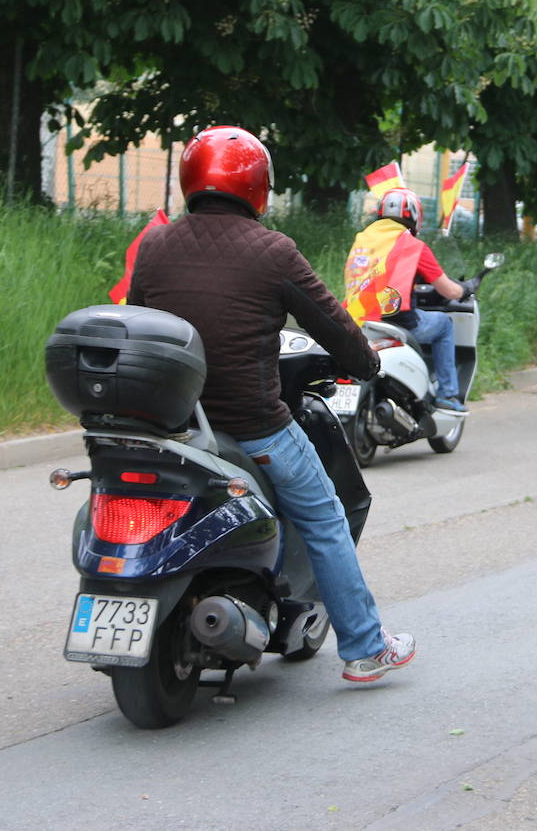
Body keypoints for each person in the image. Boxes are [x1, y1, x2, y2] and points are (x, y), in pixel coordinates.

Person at [127, 125, 415, 684]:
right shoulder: (273, 250)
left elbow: (142, 323)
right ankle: (363, 646)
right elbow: (332, 322)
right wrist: (368, 362)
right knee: (325, 516)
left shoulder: (157, 244)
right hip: (253, 427)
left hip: (173, 427)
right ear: (258, 186)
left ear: (190, 180)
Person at [342, 187, 472, 413]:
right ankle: (447, 394)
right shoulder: (413, 245)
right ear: (414, 217)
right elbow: (449, 291)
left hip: (357, 318)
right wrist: (466, 288)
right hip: (398, 322)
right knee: (444, 325)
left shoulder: (362, 240)